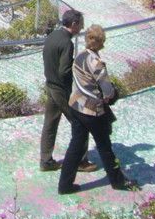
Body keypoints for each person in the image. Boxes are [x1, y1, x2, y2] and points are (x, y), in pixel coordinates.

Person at [58, 24, 139, 195]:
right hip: (92, 111)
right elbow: (108, 91)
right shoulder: (97, 63)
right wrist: (110, 96)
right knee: (105, 147)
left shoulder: (79, 56)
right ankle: (118, 181)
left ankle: (64, 185)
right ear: (101, 42)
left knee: (75, 146)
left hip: (76, 105)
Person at [39, 9, 97, 174]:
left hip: (49, 85)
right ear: (74, 24)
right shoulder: (67, 43)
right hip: (60, 89)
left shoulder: (52, 36)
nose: (81, 29)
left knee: (50, 123)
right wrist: (78, 65)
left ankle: (46, 160)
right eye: (81, 25)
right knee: (80, 123)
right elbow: (64, 70)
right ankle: (80, 161)